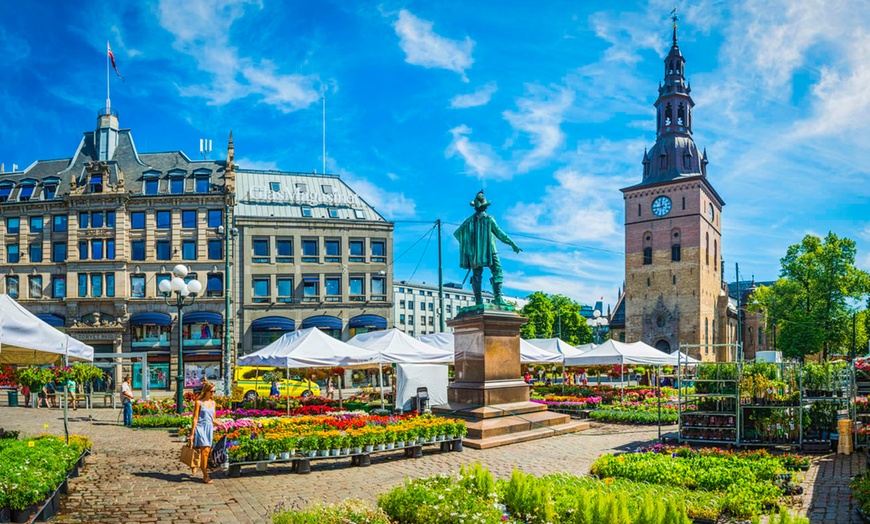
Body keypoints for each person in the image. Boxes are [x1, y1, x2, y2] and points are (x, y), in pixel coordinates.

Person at [454, 190, 522, 305]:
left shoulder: (468, 221)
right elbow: (500, 234)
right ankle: (498, 298)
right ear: (485, 207)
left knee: (476, 274)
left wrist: (469, 247)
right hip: (490, 251)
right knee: (497, 271)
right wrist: (512, 244)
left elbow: (458, 234)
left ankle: (479, 301)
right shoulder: (489, 219)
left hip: (475, 254)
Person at [189, 381, 216, 484]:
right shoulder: (199, 402)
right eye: (211, 391)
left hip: (209, 428)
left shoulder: (213, 403)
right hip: (201, 427)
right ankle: (205, 475)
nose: (213, 393)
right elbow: (195, 418)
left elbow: (213, 419)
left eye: (214, 391)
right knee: (204, 452)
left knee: (206, 452)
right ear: (206, 391)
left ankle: (195, 465)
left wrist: (222, 425)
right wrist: (192, 434)